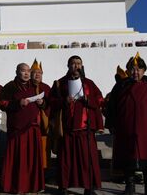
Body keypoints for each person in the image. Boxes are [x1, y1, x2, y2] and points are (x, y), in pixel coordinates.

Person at [105, 53, 147, 195]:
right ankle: (130, 187)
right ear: (128, 71)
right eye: (132, 69)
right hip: (127, 127)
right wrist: (112, 123)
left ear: (143, 70)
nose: (135, 72)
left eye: (138, 69)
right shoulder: (121, 87)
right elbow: (111, 106)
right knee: (128, 155)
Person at [50, 55, 104, 195]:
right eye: (73, 63)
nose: (76, 66)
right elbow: (51, 101)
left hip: (85, 128)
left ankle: (89, 187)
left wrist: (88, 99)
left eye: (79, 63)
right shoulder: (60, 83)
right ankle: (63, 188)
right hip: (67, 128)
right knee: (65, 160)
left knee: (88, 160)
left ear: (82, 65)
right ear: (68, 66)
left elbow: (99, 99)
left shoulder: (89, 83)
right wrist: (63, 101)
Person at [0, 63, 45, 193]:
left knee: (32, 158)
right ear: (17, 72)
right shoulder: (10, 87)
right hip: (17, 128)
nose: (26, 73)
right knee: (17, 158)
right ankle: (16, 185)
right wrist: (17, 103)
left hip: (33, 127)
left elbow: (45, 101)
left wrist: (42, 103)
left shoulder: (35, 86)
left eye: (27, 71)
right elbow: (2, 103)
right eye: (22, 71)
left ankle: (33, 185)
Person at [31, 59, 52, 169]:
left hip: (43, 124)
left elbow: (52, 103)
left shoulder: (46, 87)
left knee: (44, 148)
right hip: (30, 123)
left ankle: (43, 171)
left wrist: (43, 103)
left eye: (39, 73)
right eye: (34, 73)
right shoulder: (27, 86)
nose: (37, 75)